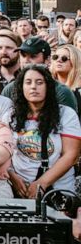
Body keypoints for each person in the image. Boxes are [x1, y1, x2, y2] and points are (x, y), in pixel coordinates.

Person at [7, 65, 81, 199]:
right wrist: (13, 178)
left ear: (49, 86)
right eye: (28, 82)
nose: (33, 87)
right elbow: (3, 152)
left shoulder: (66, 114)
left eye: (39, 82)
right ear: (21, 87)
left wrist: (42, 183)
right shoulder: (10, 115)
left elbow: (71, 155)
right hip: (20, 188)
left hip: (58, 190)